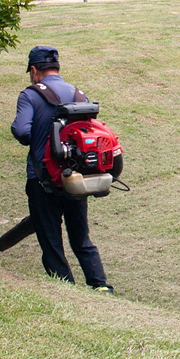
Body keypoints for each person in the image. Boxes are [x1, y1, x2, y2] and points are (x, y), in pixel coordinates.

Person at [11, 45, 113, 294]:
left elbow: (22, 132)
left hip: (42, 180)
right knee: (81, 238)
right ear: (57, 67)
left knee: (51, 241)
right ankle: (100, 286)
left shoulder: (30, 95)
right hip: (76, 180)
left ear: (33, 70)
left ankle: (67, 291)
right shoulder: (79, 95)